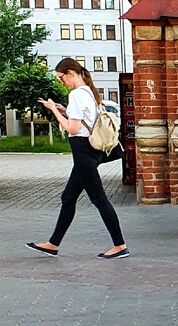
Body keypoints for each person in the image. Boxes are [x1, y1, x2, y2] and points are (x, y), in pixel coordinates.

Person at [28, 58, 128, 260]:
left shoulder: (75, 94)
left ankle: (120, 245)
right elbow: (83, 120)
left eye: (61, 78)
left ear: (70, 73)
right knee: (68, 197)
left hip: (83, 151)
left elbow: (73, 128)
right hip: (89, 151)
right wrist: (65, 111)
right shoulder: (88, 92)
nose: (61, 82)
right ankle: (53, 244)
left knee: (99, 199)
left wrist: (54, 110)